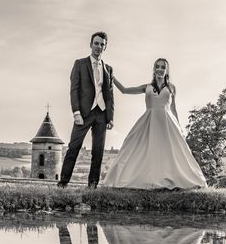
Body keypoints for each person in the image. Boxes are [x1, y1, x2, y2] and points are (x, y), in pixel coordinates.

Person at [101, 58, 207, 190]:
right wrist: (112, 76)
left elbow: (173, 108)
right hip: (149, 121)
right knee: (136, 146)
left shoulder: (171, 87)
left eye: (163, 67)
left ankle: (175, 179)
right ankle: (138, 178)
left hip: (167, 123)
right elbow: (124, 90)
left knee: (172, 152)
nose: (160, 69)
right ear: (154, 69)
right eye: (157, 66)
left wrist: (179, 127)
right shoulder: (147, 87)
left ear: (166, 70)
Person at [58, 31, 114, 188]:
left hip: (101, 114)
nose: (98, 47)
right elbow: (74, 90)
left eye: (102, 44)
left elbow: (110, 96)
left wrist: (110, 117)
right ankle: (62, 183)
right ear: (91, 44)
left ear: (105, 47)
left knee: (98, 151)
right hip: (83, 113)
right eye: (96, 43)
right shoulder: (80, 64)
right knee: (73, 148)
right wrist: (76, 112)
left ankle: (92, 186)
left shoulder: (108, 69)